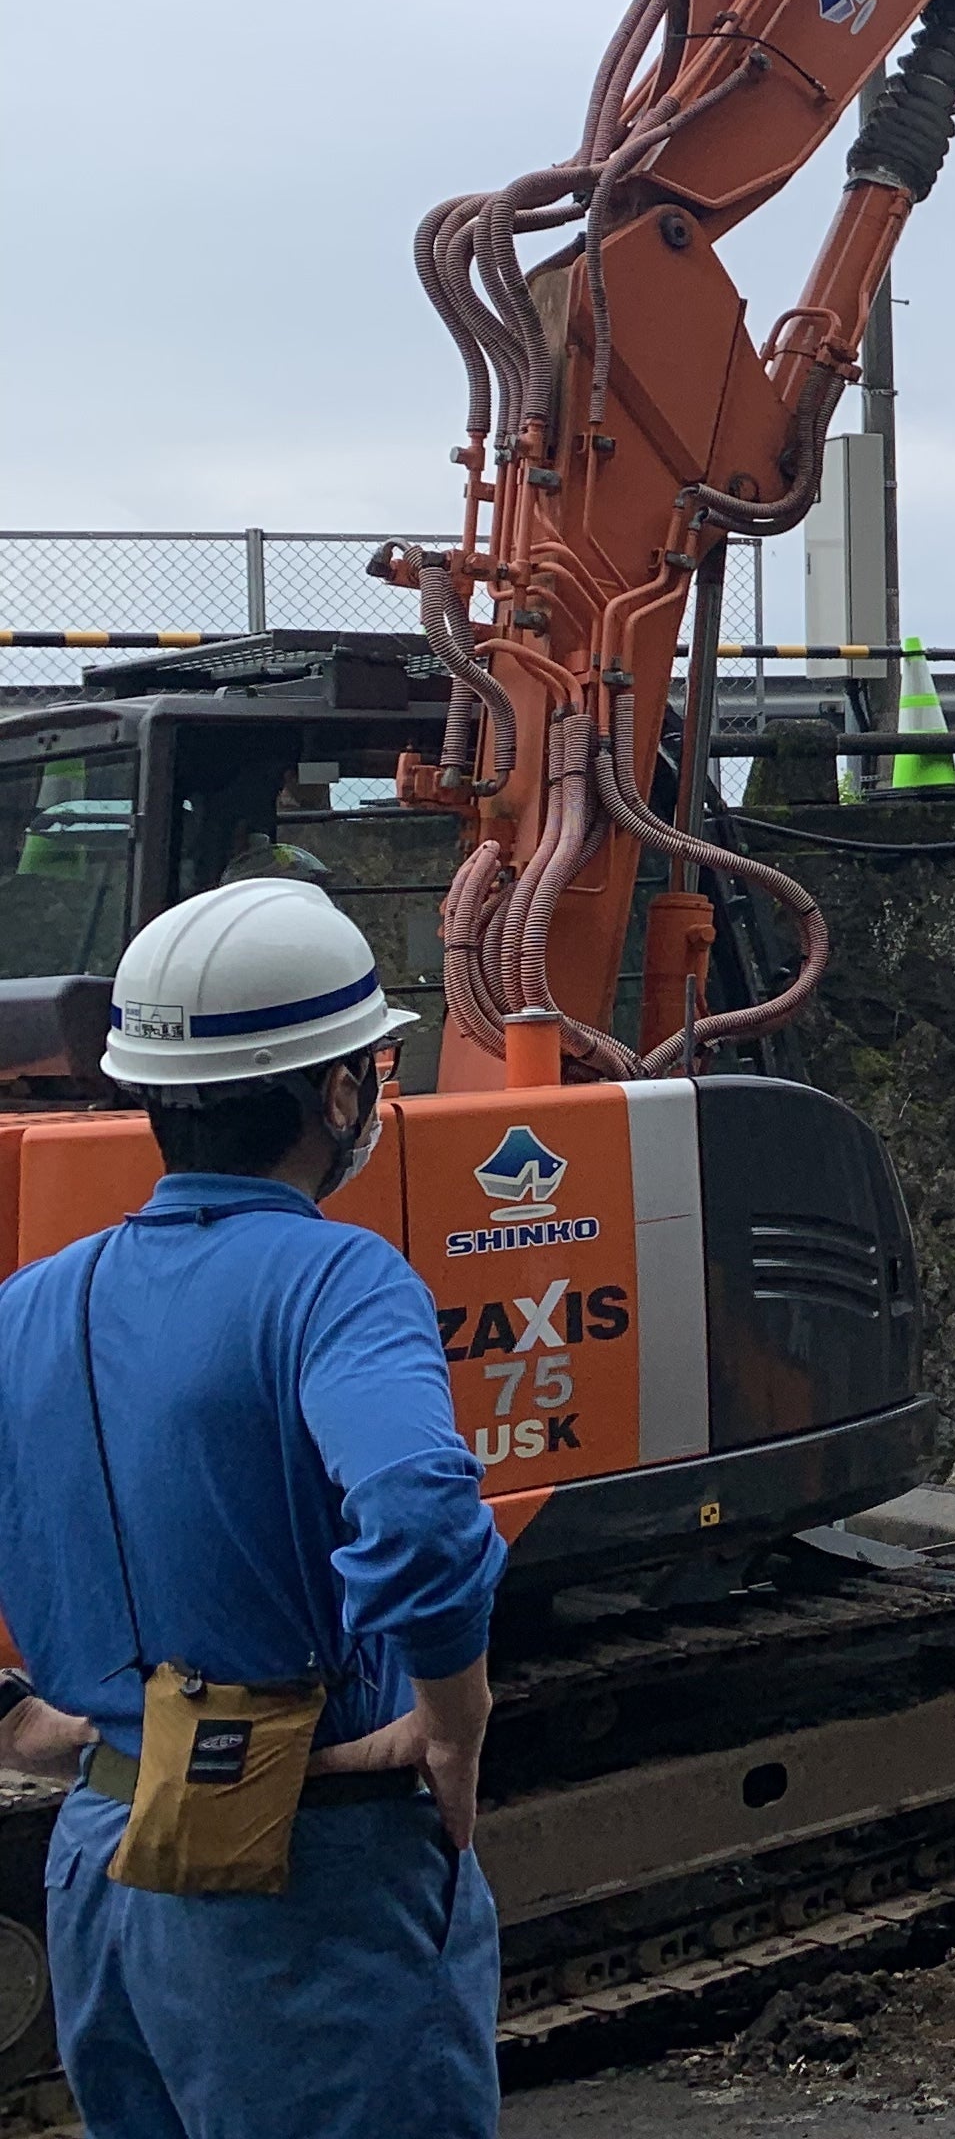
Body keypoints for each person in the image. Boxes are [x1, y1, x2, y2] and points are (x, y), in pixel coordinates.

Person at [0, 878, 510, 2139]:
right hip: (304, 1861)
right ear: (339, 1094)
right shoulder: (338, 1281)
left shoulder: (32, 1302)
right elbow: (419, 1508)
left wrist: (16, 1717)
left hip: (105, 1859)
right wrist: (454, 1717)